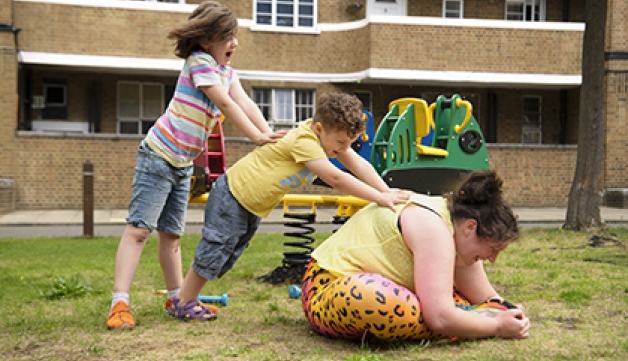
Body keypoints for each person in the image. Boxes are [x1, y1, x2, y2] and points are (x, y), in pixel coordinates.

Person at [107, 1, 287, 330]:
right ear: (207, 40)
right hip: (158, 156)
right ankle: (120, 303)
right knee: (139, 231)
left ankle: (178, 300)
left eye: (235, 36)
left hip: (183, 164)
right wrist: (255, 137)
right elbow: (224, 102)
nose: (235, 43)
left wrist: (269, 134)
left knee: (172, 236)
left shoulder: (227, 72)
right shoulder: (199, 61)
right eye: (228, 36)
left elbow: (244, 102)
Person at [169, 92, 412, 320]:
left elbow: (359, 164)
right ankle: (185, 302)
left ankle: (186, 298)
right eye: (340, 142)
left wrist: (386, 191)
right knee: (217, 246)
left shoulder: (327, 140)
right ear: (319, 129)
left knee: (227, 252)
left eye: (348, 144)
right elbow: (336, 177)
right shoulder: (305, 140)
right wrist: (378, 198)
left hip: (249, 203)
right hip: (233, 194)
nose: (343, 149)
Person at [301, 170, 531, 341]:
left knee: (439, 307)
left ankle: (463, 320)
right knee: (372, 299)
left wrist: (507, 310)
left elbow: (486, 299)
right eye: (492, 250)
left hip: (391, 291)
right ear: (470, 228)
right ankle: (463, 322)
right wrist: (497, 325)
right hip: (327, 290)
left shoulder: (455, 229)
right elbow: (439, 317)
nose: (492, 259)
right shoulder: (434, 227)